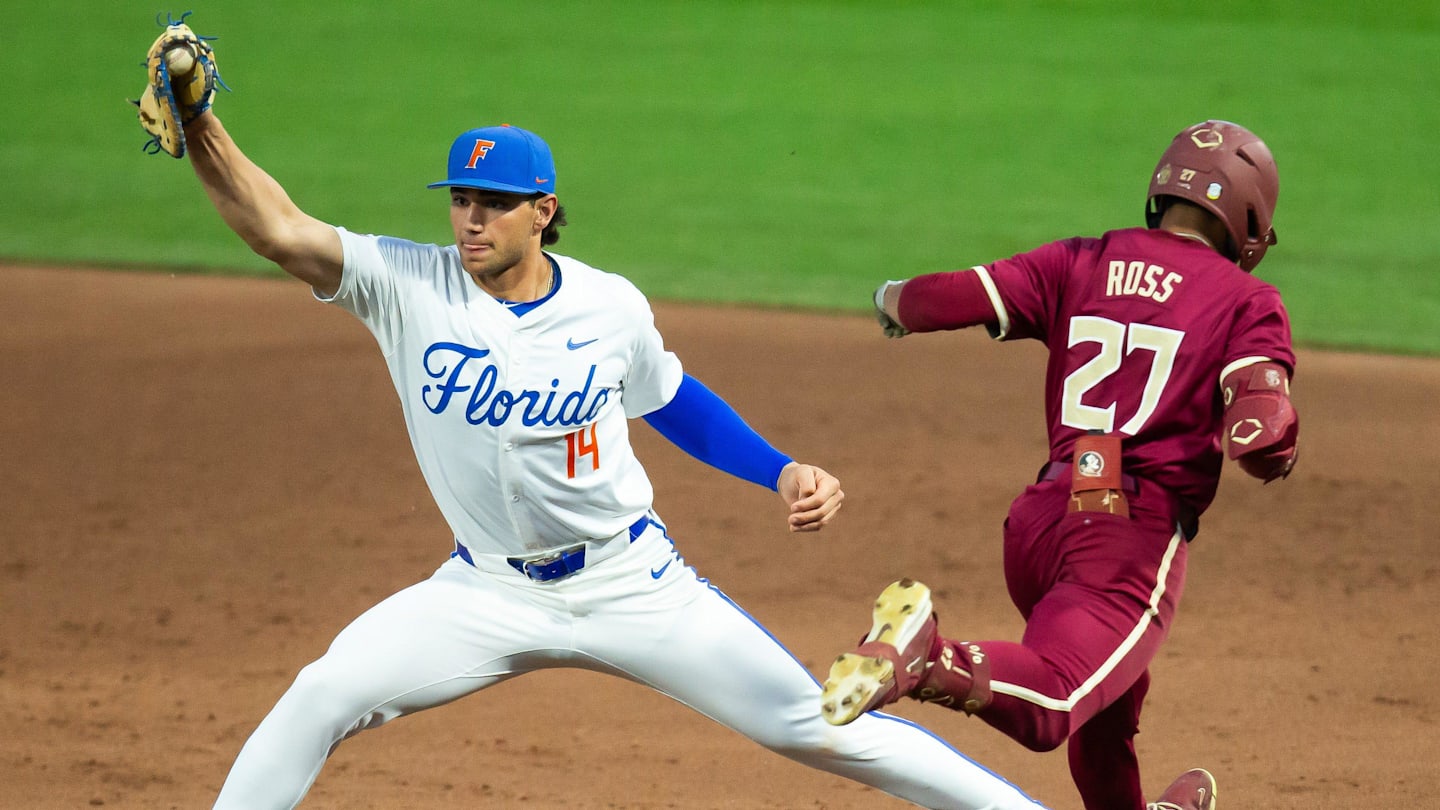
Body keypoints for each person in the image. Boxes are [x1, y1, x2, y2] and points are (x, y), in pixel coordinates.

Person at [155, 33, 1051, 810]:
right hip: (485, 592)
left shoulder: (608, 305)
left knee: (811, 724)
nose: (471, 220)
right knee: (321, 694)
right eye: (461, 199)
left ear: (542, 211)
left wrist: (780, 470)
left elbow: (672, 398)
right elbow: (277, 229)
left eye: (494, 203)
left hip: (630, 582)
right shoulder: (405, 283)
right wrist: (201, 123)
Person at [818, 120, 1299, 810]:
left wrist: (890, 299)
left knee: (1109, 706)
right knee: (1060, 696)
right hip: (1128, 536)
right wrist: (1273, 444)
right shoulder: (1247, 300)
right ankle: (927, 658)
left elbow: (948, 296)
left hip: (1041, 524)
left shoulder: (1083, 259)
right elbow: (1260, 422)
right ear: (1249, 219)